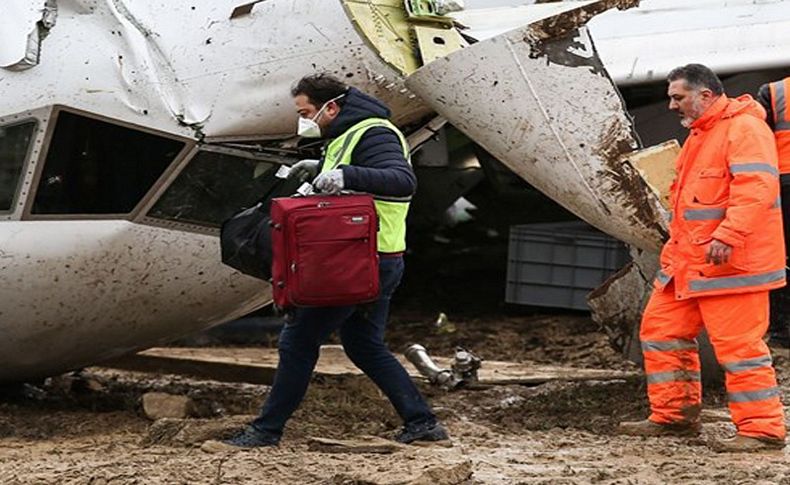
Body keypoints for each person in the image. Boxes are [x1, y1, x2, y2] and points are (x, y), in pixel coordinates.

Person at [222, 73, 448, 448]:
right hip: (376, 257)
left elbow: (401, 180)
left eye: (307, 112)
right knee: (363, 344)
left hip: (363, 258)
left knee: (297, 341)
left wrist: (343, 174)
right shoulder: (345, 135)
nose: (304, 120)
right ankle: (423, 424)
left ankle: (266, 431)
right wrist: (322, 169)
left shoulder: (374, 132)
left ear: (333, 107)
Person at [617, 64, 787, 452]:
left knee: (740, 349)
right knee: (661, 333)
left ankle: (762, 429)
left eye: (678, 97)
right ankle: (673, 417)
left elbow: (756, 188)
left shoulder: (744, 129)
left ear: (705, 95)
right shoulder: (703, 133)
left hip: (731, 265)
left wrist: (728, 235)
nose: (671, 105)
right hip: (690, 264)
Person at [757, 76, 790, 348]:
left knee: (781, 256)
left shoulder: (775, 91)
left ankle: (782, 331)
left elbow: (757, 139)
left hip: (783, 182)